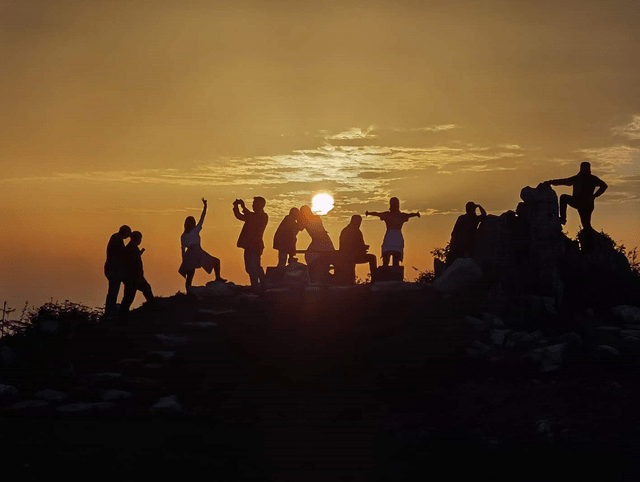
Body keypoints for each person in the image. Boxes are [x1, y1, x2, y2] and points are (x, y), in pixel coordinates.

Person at [544, 161, 608, 231]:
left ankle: (563, 219)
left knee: (564, 198)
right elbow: (565, 181)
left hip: (581, 203)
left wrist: (595, 195)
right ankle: (563, 219)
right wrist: (595, 196)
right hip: (585, 203)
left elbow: (604, 186)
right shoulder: (587, 178)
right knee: (586, 225)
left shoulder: (586, 178)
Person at [178, 198, 225, 291]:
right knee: (191, 275)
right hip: (195, 253)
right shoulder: (192, 232)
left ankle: (217, 278)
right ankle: (217, 278)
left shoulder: (184, 235)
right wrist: (205, 207)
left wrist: (184, 261)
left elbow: (183, 250)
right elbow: (202, 218)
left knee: (190, 276)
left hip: (194, 253)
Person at [366, 197, 420, 267]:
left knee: (388, 258)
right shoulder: (400, 215)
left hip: (391, 237)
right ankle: (390, 273)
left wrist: (369, 213)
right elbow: (410, 215)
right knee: (392, 259)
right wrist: (416, 214)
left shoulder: (389, 215)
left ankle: (387, 273)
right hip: (395, 237)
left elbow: (377, 214)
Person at [233, 197, 269, 288]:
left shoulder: (263, 216)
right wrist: (236, 207)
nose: (252, 205)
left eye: (254, 204)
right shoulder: (252, 216)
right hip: (249, 246)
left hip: (255, 246)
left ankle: (258, 285)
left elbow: (251, 216)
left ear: (260, 205)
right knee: (251, 267)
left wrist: (243, 207)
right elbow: (240, 216)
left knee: (254, 267)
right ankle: (260, 284)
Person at [119, 231, 155, 320]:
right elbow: (132, 264)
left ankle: (122, 316)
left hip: (132, 277)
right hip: (134, 277)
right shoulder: (131, 248)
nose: (140, 240)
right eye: (140, 238)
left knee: (129, 297)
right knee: (131, 296)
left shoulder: (131, 248)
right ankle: (153, 307)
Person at [298, 205, 336, 281]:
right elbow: (300, 227)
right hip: (319, 241)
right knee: (310, 256)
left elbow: (299, 227)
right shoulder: (314, 218)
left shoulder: (309, 220)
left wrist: (298, 219)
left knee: (310, 256)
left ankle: (317, 275)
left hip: (321, 241)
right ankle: (316, 274)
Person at [104, 225, 132, 318]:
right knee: (113, 290)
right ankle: (110, 311)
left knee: (113, 290)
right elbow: (119, 254)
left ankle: (110, 309)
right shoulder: (117, 239)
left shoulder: (116, 237)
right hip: (113, 269)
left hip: (112, 268)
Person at [339, 215, 377, 282]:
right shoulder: (356, 231)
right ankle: (375, 279)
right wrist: (364, 247)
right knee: (372, 258)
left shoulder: (345, 230)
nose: (359, 224)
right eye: (359, 222)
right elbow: (357, 245)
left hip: (345, 255)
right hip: (352, 256)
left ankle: (351, 281)